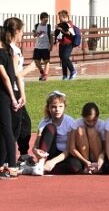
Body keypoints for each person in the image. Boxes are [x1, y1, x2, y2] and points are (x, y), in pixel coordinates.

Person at [24, 90, 77, 175]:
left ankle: (36, 169)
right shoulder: (44, 122)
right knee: (50, 127)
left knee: (75, 166)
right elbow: (35, 146)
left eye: (60, 106)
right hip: (48, 154)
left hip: (64, 155)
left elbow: (69, 149)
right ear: (48, 107)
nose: (57, 110)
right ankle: (41, 164)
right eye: (54, 107)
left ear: (65, 107)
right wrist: (36, 152)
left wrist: (53, 162)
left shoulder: (70, 122)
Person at [5, 18, 34, 163]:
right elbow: (16, 74)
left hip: (14, 90)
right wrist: (31, 67)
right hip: (14, 91)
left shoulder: (9, 48)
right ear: (16, 32)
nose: (23, 34)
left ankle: (23, 153)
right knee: (14, 127)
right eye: (21, 31)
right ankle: (6, 159)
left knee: (25, 123)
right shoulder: (12, 50)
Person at [0, 22, 20, 177]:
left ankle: (12, 164)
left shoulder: (2, 54)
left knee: (6, 129)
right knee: (3, 130)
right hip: (7, 95)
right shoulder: (8, 52)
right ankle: (2, 163)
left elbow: (6, 77)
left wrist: (13, 98)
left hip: (3, 96)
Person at [67, 102, 106, 174]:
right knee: (80, 130)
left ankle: (96, 165)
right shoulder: (76, 124)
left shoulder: (102, 124)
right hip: (83, 155)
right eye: (88, 121)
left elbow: (106, 146)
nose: (91, 123)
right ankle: (87, 166)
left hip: (96, 153)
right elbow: (72, 148)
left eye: (94, 120)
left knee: (92, 130)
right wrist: (85, 161)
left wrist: (101, 157)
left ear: (98, 116)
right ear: (83, 117)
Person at [54, 10, 77, 80]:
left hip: (68, 43)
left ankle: (73, 71)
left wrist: (61, 29)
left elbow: (70, 33)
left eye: (60, 17)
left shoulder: (69, 24)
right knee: (62, 58)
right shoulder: (61, 24)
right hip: (62, 43)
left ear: (65, 17)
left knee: (65, 57)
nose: (59, 19)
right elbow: (58, 33)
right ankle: (65, 75)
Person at [32, 12, 53, 81]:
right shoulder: (37, 25)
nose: (46, 21)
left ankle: (45, 76)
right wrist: (35, 33)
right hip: (38, 46)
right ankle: (42, 72)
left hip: (46, 46)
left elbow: (51, 36)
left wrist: (51, 45)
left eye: (47, 20)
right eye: (45, 20)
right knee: (36, 61)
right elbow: (34, 35)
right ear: (41, 19)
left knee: (47, 61)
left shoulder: (48, 26)